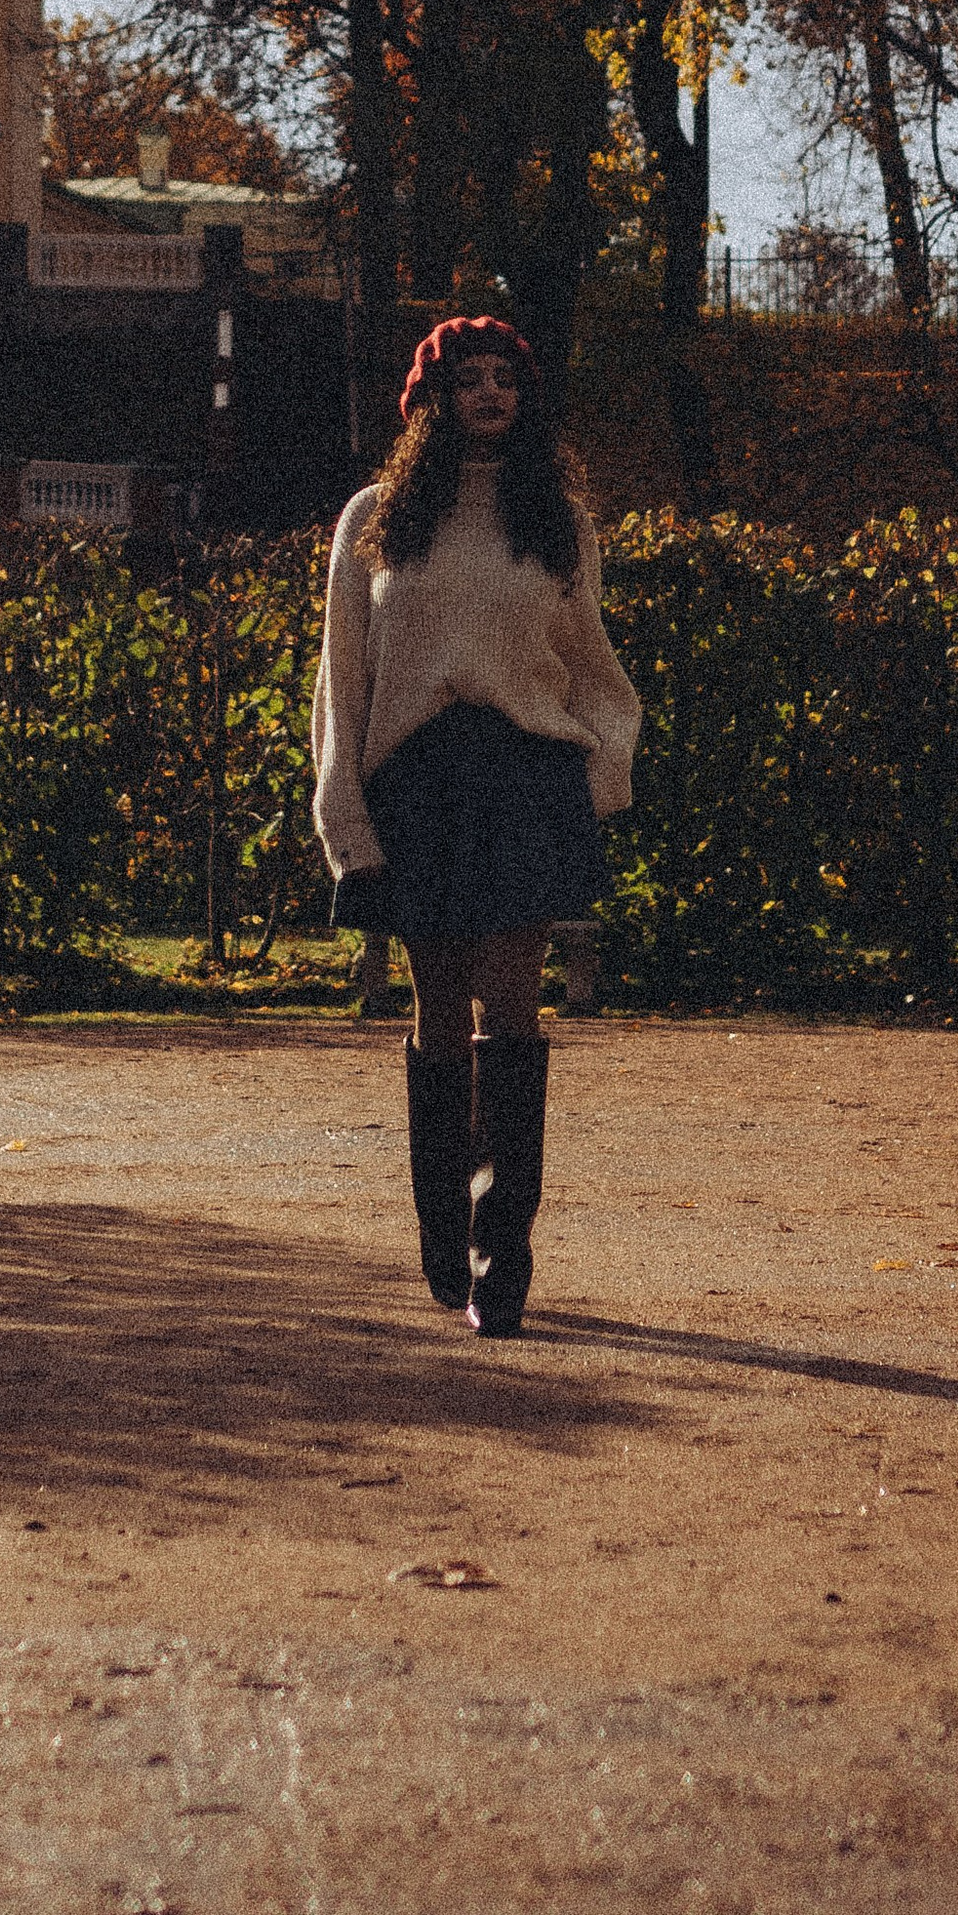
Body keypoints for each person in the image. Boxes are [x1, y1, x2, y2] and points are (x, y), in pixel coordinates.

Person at [310, 316, 640, 1337]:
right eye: (469, 380)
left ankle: (507, 1258)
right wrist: (346, 818)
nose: (490, 395)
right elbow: (342, 682)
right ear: (431, 400)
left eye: (506, 378)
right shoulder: (376, 518)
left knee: (514, 1012)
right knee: (438, 1013)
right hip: (418, 786)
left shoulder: (556, 520)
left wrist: (596, 768)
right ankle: (442, 1236)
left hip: (524, 779)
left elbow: (592, 666)